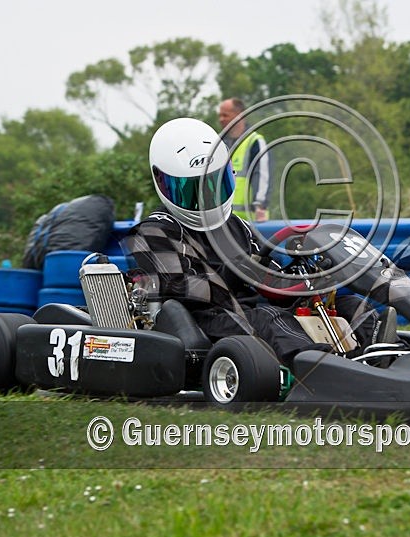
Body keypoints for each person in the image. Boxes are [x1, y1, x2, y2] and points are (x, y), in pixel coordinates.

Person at [125, 117, 382, 364]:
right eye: (192, 190)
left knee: (352, 305)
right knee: (267, 317)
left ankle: (381, 356)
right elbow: (182, 288)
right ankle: (321, 370)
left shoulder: (236, 226)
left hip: (251, 309)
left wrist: (300, 275)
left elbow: (267, 266)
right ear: (163, 182)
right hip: (204, 319)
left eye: (213, 184)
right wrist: (239, 269)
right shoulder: (153, 233)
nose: (205, 197)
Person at [218, 97, 271, 223]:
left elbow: (262, 175)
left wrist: (260, 206)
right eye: (220, 115)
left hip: (251, 221)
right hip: (224, 221)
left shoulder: (255, 141)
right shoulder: (219, 143)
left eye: (225, 115)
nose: (221, 119)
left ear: (239, 116)